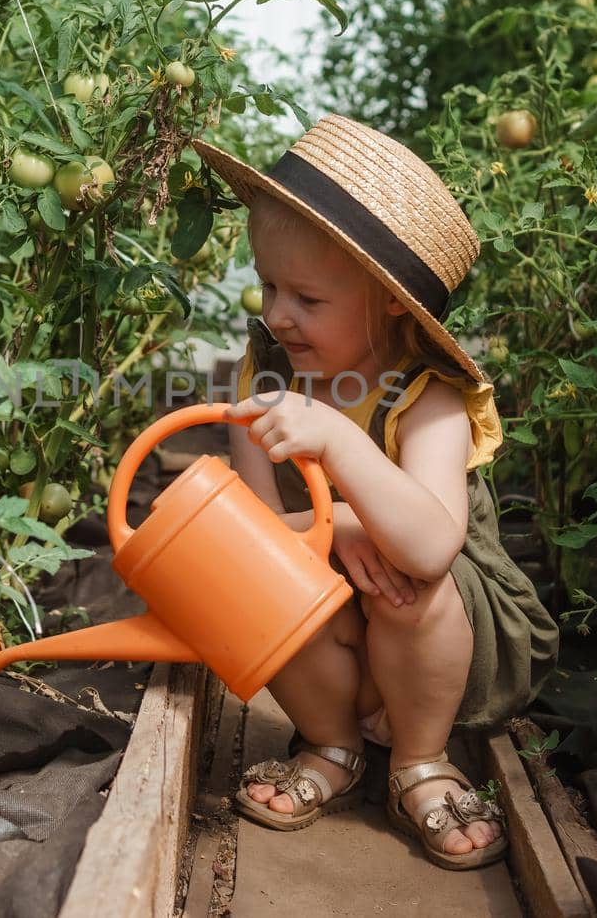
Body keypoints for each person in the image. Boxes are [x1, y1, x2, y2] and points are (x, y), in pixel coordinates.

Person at [192, 115, 558, 870]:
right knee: (260, 581)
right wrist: (334, 529)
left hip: (452, 644)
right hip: (334, 633)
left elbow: (428, 546)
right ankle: (331, 742)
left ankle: (419, 761)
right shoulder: (263, 377)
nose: (275, 313)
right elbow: (253, 534)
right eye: (267, 285)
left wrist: (342, 452)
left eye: (307, 298)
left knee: (411, 587)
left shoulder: (430, 398)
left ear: (390, 299)